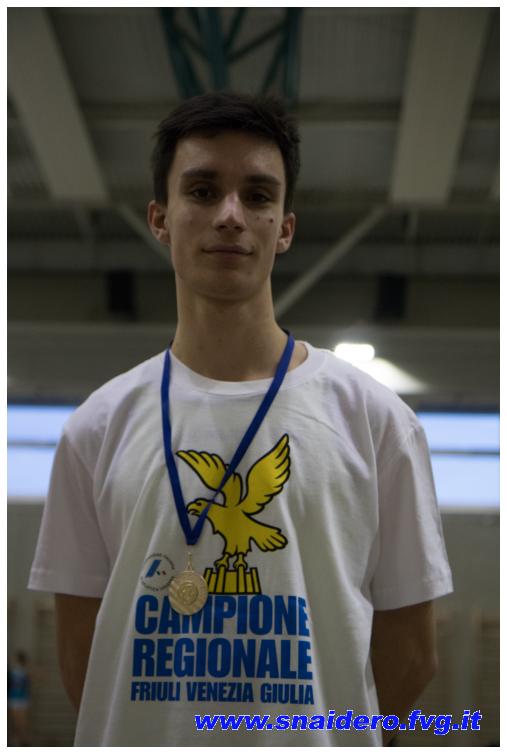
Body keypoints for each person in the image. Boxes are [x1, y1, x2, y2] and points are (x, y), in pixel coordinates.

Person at [29, 92, 453, 746]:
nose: (230, 215)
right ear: (160, 218)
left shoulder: (377, 422)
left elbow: (411, 655)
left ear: (284, 228)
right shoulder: (96, 428)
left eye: (257, 196)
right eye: (202, 191)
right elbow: (83, 655)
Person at [7, 651, 31, 746]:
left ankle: (23, 741)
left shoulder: (25, 671)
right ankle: (15, 741)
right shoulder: (11, 671)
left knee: (22, 724)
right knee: (15, 723)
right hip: (13, 699)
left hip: (22, 700)